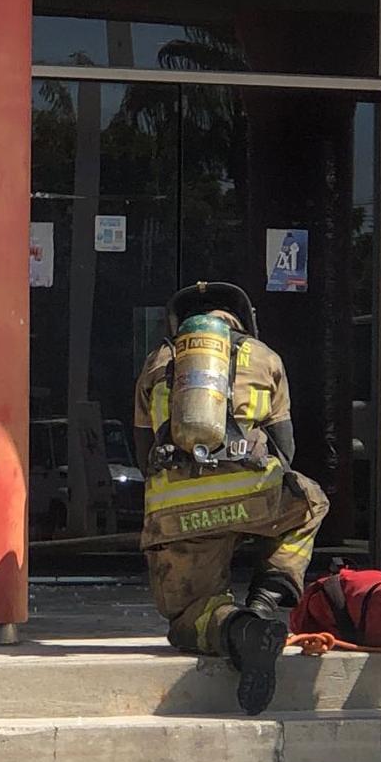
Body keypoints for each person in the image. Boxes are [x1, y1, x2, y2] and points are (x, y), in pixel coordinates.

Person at [133, 281, 329, 715]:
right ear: (243, 319)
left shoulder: (157, 361)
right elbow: (285, 447)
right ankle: (265, 601)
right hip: (253, 495)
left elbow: (141, 450)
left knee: (190, 617)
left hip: (177, 508)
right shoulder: (266, 358)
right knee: (310, 500)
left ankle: (239, 629)